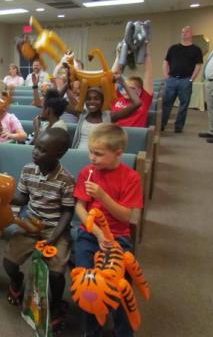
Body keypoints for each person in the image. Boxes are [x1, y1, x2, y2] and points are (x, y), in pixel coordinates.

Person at [73, 124, 143, 337]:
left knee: (117, 285)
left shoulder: (131, 178)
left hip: (118, 237)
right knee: (88, 283)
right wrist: (97, 233)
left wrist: (102, 196)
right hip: (90, 233)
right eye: (91, 152)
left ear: (118, 153)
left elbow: (125, 216)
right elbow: (79, 208)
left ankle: (123, 332)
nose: (92, 158)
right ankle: (91, 330)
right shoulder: (87, 172)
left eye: (98, 154)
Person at [3, 128, 75, 331]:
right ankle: (17, 282)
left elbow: (68, 213)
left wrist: (54, 237)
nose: (35, 152)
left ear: (58, 154)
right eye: (36, 146)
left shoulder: (66, 179)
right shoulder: (28, 170)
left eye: (42, 150)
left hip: (55, 229)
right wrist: (5, 197)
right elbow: (23, 198)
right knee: (9, 263)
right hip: (31, 224)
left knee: (56, 274)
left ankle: (57, 304)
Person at [70, 79, 141, 149]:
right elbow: (63, 102)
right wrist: (67, 83)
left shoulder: (109, 117)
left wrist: (122, 82)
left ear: (103, 101)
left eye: (96, 99)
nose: (92, 102)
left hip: (99, 154)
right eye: (88, 99)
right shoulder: (82, 114)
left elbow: (137, 103)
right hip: (78, 153)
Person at [162, 26, 203, 133]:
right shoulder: (173, 48)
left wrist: (192, 79)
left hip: (185, 80)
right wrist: (166, 76)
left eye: (187, 32)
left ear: (191, 34)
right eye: (182, 32)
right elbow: (166, 62)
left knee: (184, 105)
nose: (184, 33)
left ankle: (178, 126)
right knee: (166, 103)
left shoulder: (196, 50)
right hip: (172, 79)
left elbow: (198, 65)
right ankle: (162, 124)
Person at [112, 44, 154, 127]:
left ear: (140, 91)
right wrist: (118, 56)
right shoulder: (118, 97)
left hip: (133, 134)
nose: (126, 91)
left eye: (131, 88)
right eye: (124, 87)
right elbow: (113, 75)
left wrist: (146, 52)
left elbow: (148, 75)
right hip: (115, 132)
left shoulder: (144, 100)